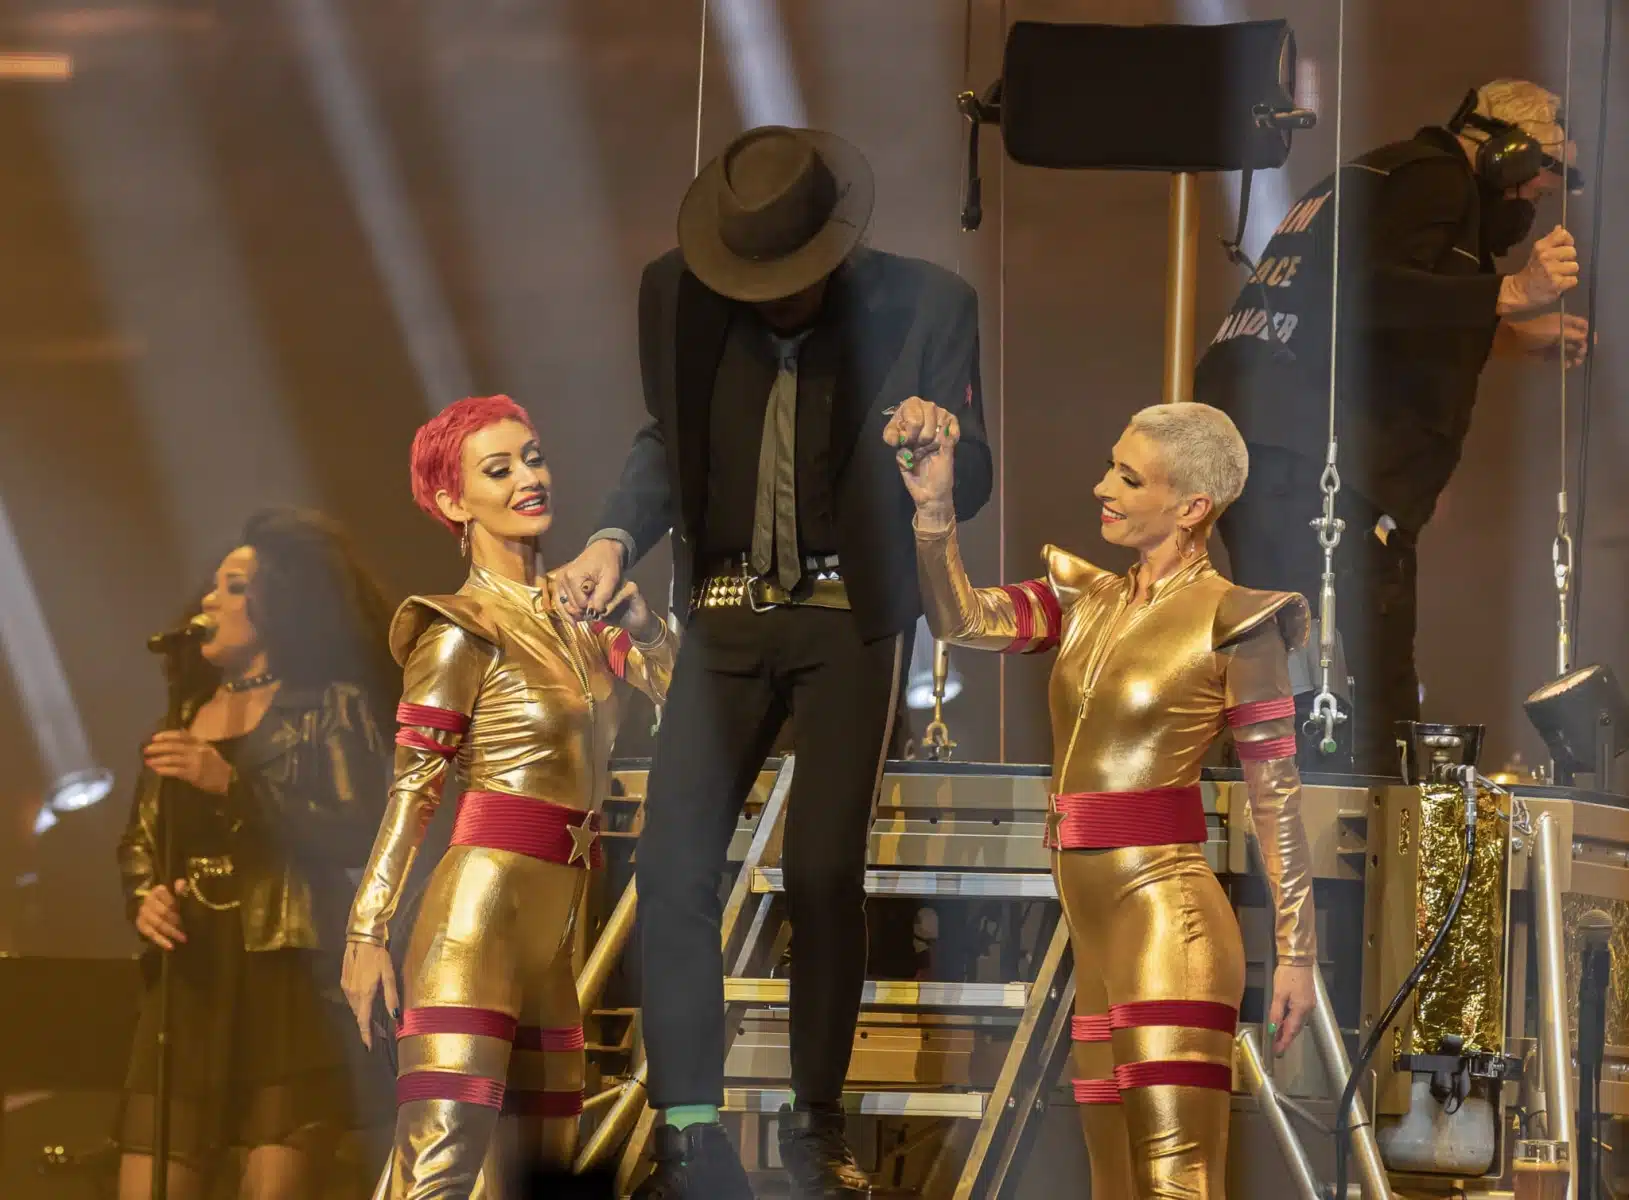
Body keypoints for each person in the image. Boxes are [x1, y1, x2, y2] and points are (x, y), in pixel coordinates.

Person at [555, 125, 993, 1198]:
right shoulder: (675, 294)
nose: (773, 297)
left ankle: (815, 1128)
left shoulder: (926, 304)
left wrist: (937, 452)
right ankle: (689, 1134)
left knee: (824, 870)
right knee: (672, 867)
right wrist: (613, 536)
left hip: (850, 615)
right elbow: (665, 440)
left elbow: (973, 469)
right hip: (725, 611)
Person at [894, 402, 1316, 1198]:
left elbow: (1275, 797)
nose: (1102, 489)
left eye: (1128, 478)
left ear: (1191, 507)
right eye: (1109, 468)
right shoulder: (1087, 600)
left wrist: (1295, 951)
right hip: (1094, 935)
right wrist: (934, 512)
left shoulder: (1235, 622)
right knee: (1112, 1182)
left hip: (1170, 923)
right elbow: (959, 620)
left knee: (1175, 1181)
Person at [1193, 79, 1588, 773]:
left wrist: (1510, 335)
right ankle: (1345, 828)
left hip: (1272, 446)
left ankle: (1290, 810)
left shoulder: (1390, 176)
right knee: (1369, 683)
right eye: (1543, 175)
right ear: (1505, 155)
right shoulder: (1436, 182)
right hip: (1310, 459)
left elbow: (1367, 313)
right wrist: (1512, 291)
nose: (1540, 194)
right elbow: (1367, 294)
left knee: (1290, 662)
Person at [340, 394, 677, 1197]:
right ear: (453, 502)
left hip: (555, 934)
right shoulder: (459, 627)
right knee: (440, 1166)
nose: (529, 478)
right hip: (476, 922)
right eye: (498, 469)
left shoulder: (584, 618)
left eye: (533, 458)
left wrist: (646, 626)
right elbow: (413, 790)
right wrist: (366, 931)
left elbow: (694, 708)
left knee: (537, 1175)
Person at [116, 507, 397, 1200]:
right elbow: (141, 839)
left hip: (284, 974)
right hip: (191, 980)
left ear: (282, 603)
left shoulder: (329, 706)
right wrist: (145, 895)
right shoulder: (185, 715)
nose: (210, 600)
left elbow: (359, 828)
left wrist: (234, 787)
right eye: (213, 585)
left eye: (235, 587)